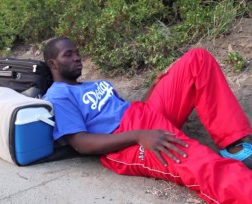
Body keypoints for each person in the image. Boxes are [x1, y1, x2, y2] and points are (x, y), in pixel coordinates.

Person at [42, 37, 252, 204]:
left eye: (77, 53)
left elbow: (126, 110)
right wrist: (139, 135)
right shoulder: (58, 95)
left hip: (143, 115)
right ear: (53, 64)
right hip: (126, 143)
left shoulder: (91, 85)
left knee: (197, 59)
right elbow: (81, 144)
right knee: (201, 163)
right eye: (68, 55)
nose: (77, 58)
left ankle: (233, 146)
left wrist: (153, 89)